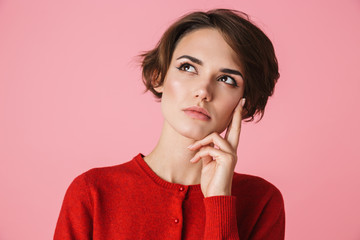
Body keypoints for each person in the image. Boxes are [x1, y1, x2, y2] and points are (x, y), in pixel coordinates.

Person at [54, 8, 285, 240]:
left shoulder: (262, 201)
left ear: (245, 103)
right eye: (188, 67)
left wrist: (219, 200)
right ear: (158, 76)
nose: (203, 91)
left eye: (226, 79)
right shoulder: (93, 192)